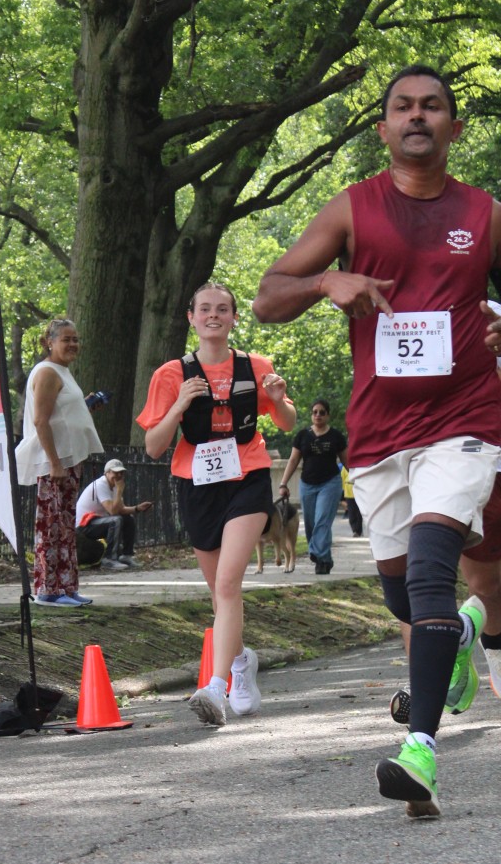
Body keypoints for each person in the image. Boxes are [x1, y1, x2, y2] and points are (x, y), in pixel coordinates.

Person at [253, 64, 501, 815]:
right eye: (403, 107)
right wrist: (327, 283)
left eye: (433, 107)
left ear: (455, 127)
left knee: (428, 572)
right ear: (384, 127)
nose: (418, 116)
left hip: (463, 424)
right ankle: (456, 643)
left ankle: (420, 750)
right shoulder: (352, 210)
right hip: (380, 434)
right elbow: (266, 298)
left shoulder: (487, 215)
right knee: (400, 592)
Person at [137, 281, 296, 725]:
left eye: (222, 309)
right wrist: (178, 406)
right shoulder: (171, 374)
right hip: (198, 484)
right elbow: (153, 446)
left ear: (234, 318)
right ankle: (243, 661)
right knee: (219, 594)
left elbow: (287, 421)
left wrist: (279, 399)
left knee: (228, 584)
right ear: (191, 317)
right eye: (204, 309)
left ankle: (216, 686)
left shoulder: (256, 366)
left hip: (248, 478)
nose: (213, 316)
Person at [390, 302, 501, 721]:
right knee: (416, 579)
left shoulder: (482, 308)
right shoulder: (383, 304)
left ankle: (489, 640)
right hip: (404, 455)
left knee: (483, 581)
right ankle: (429, 683)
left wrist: (464, 378)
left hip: (475, 452)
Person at [14, 317, 103, 607]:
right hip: (55, 463)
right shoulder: (47, 372)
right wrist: (54, 463)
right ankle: (48, 590)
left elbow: (59, 414)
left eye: (76, 339)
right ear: (48, 342)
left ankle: (66, 586)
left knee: (65, 527)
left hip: (68, 461)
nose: (73, 344)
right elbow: (41, 421)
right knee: (51, 527)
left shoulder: (62, 371)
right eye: (66, 339)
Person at [278, 399, 346, 574]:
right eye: (315, 412)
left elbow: (347, 461)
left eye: (322, 412)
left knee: (322, 521)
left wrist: (359, 478)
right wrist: (283, 483)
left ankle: (317, 553)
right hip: (307, 484)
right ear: (311, 415)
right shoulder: (303, 436)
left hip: (330, 483)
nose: (318, 415)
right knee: (310, 524)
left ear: (328, 415)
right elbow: (293, 460)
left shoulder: (336, 436)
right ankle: (324, 560)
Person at [75, 459, 153, 570]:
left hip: (98, 522)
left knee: (128, 519)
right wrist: (119, 490)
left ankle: (126, 556)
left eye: (121, 473)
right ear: (107, 473)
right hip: (84, 526)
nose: (119, 475)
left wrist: (137, 508)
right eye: (115, 472)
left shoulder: (115, 486)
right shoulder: (101, 484)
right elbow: (113, 511)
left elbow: (120, 509)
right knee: (116, 520)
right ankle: (109, 559)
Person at [340, 465, 363, 536]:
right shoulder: (344, 467)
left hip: (358, 491)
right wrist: (343, 494)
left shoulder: (359, 466)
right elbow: (342, 478)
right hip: (348, 492)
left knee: (358, 512)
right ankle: (354, 530)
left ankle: (358, 530)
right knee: (351, 512)